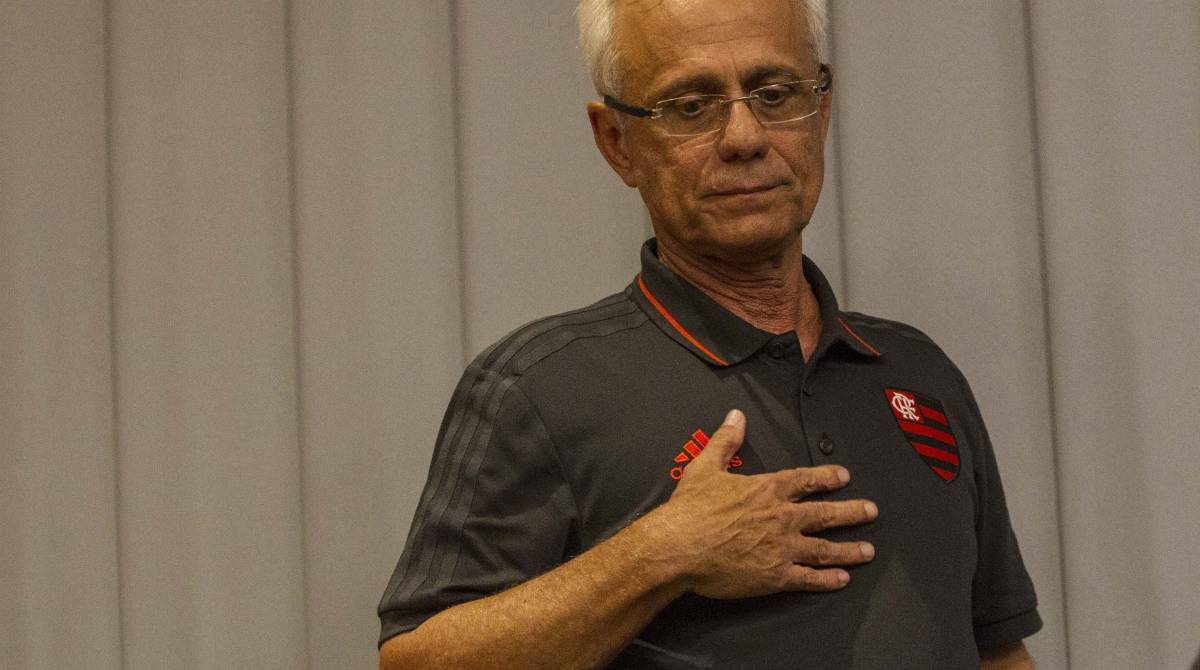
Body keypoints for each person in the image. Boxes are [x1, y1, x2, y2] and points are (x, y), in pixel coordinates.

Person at [378, 0, 1041, 667]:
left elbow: (997, 649)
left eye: (776, 93)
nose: (745, 136)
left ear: (823, 108)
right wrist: (661, 554)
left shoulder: (918, 372)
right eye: (691, 106)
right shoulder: (536, 389)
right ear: (616, 142)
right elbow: (416, 662)